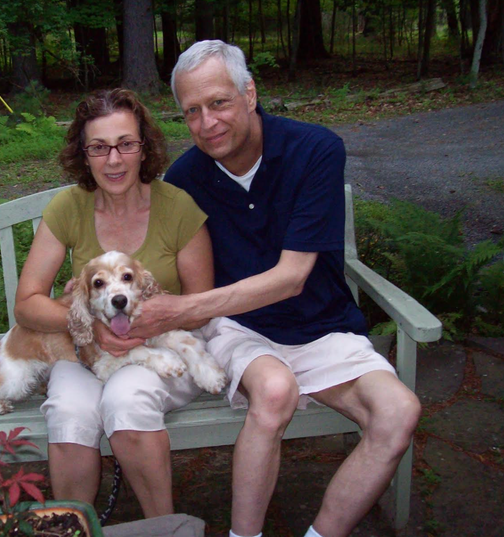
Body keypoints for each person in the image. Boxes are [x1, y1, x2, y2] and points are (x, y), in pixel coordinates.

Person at [127, 40, 422, 537]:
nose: (207, 123)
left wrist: (181, 309)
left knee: (399, 413)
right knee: (275, 389)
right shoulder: (184, 180)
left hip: (323, 327)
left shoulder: (314, 150)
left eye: (218, 103)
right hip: (240, 329)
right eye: (191, 112)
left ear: (249, 92)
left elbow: (292, 278)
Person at [13, 88, 214, 517]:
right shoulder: (68, 207)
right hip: (87, 348)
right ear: (83, 155)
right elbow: (27, 303)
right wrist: (91, 326)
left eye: (126, 144)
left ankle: (161, 526)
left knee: (126, 397)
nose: (114, 159)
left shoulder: (178, 207)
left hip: (164, 349)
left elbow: (201, 304)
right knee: (68, 408)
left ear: (145, 148)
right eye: (99, 148)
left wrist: (145, 327)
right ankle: (72, 525)